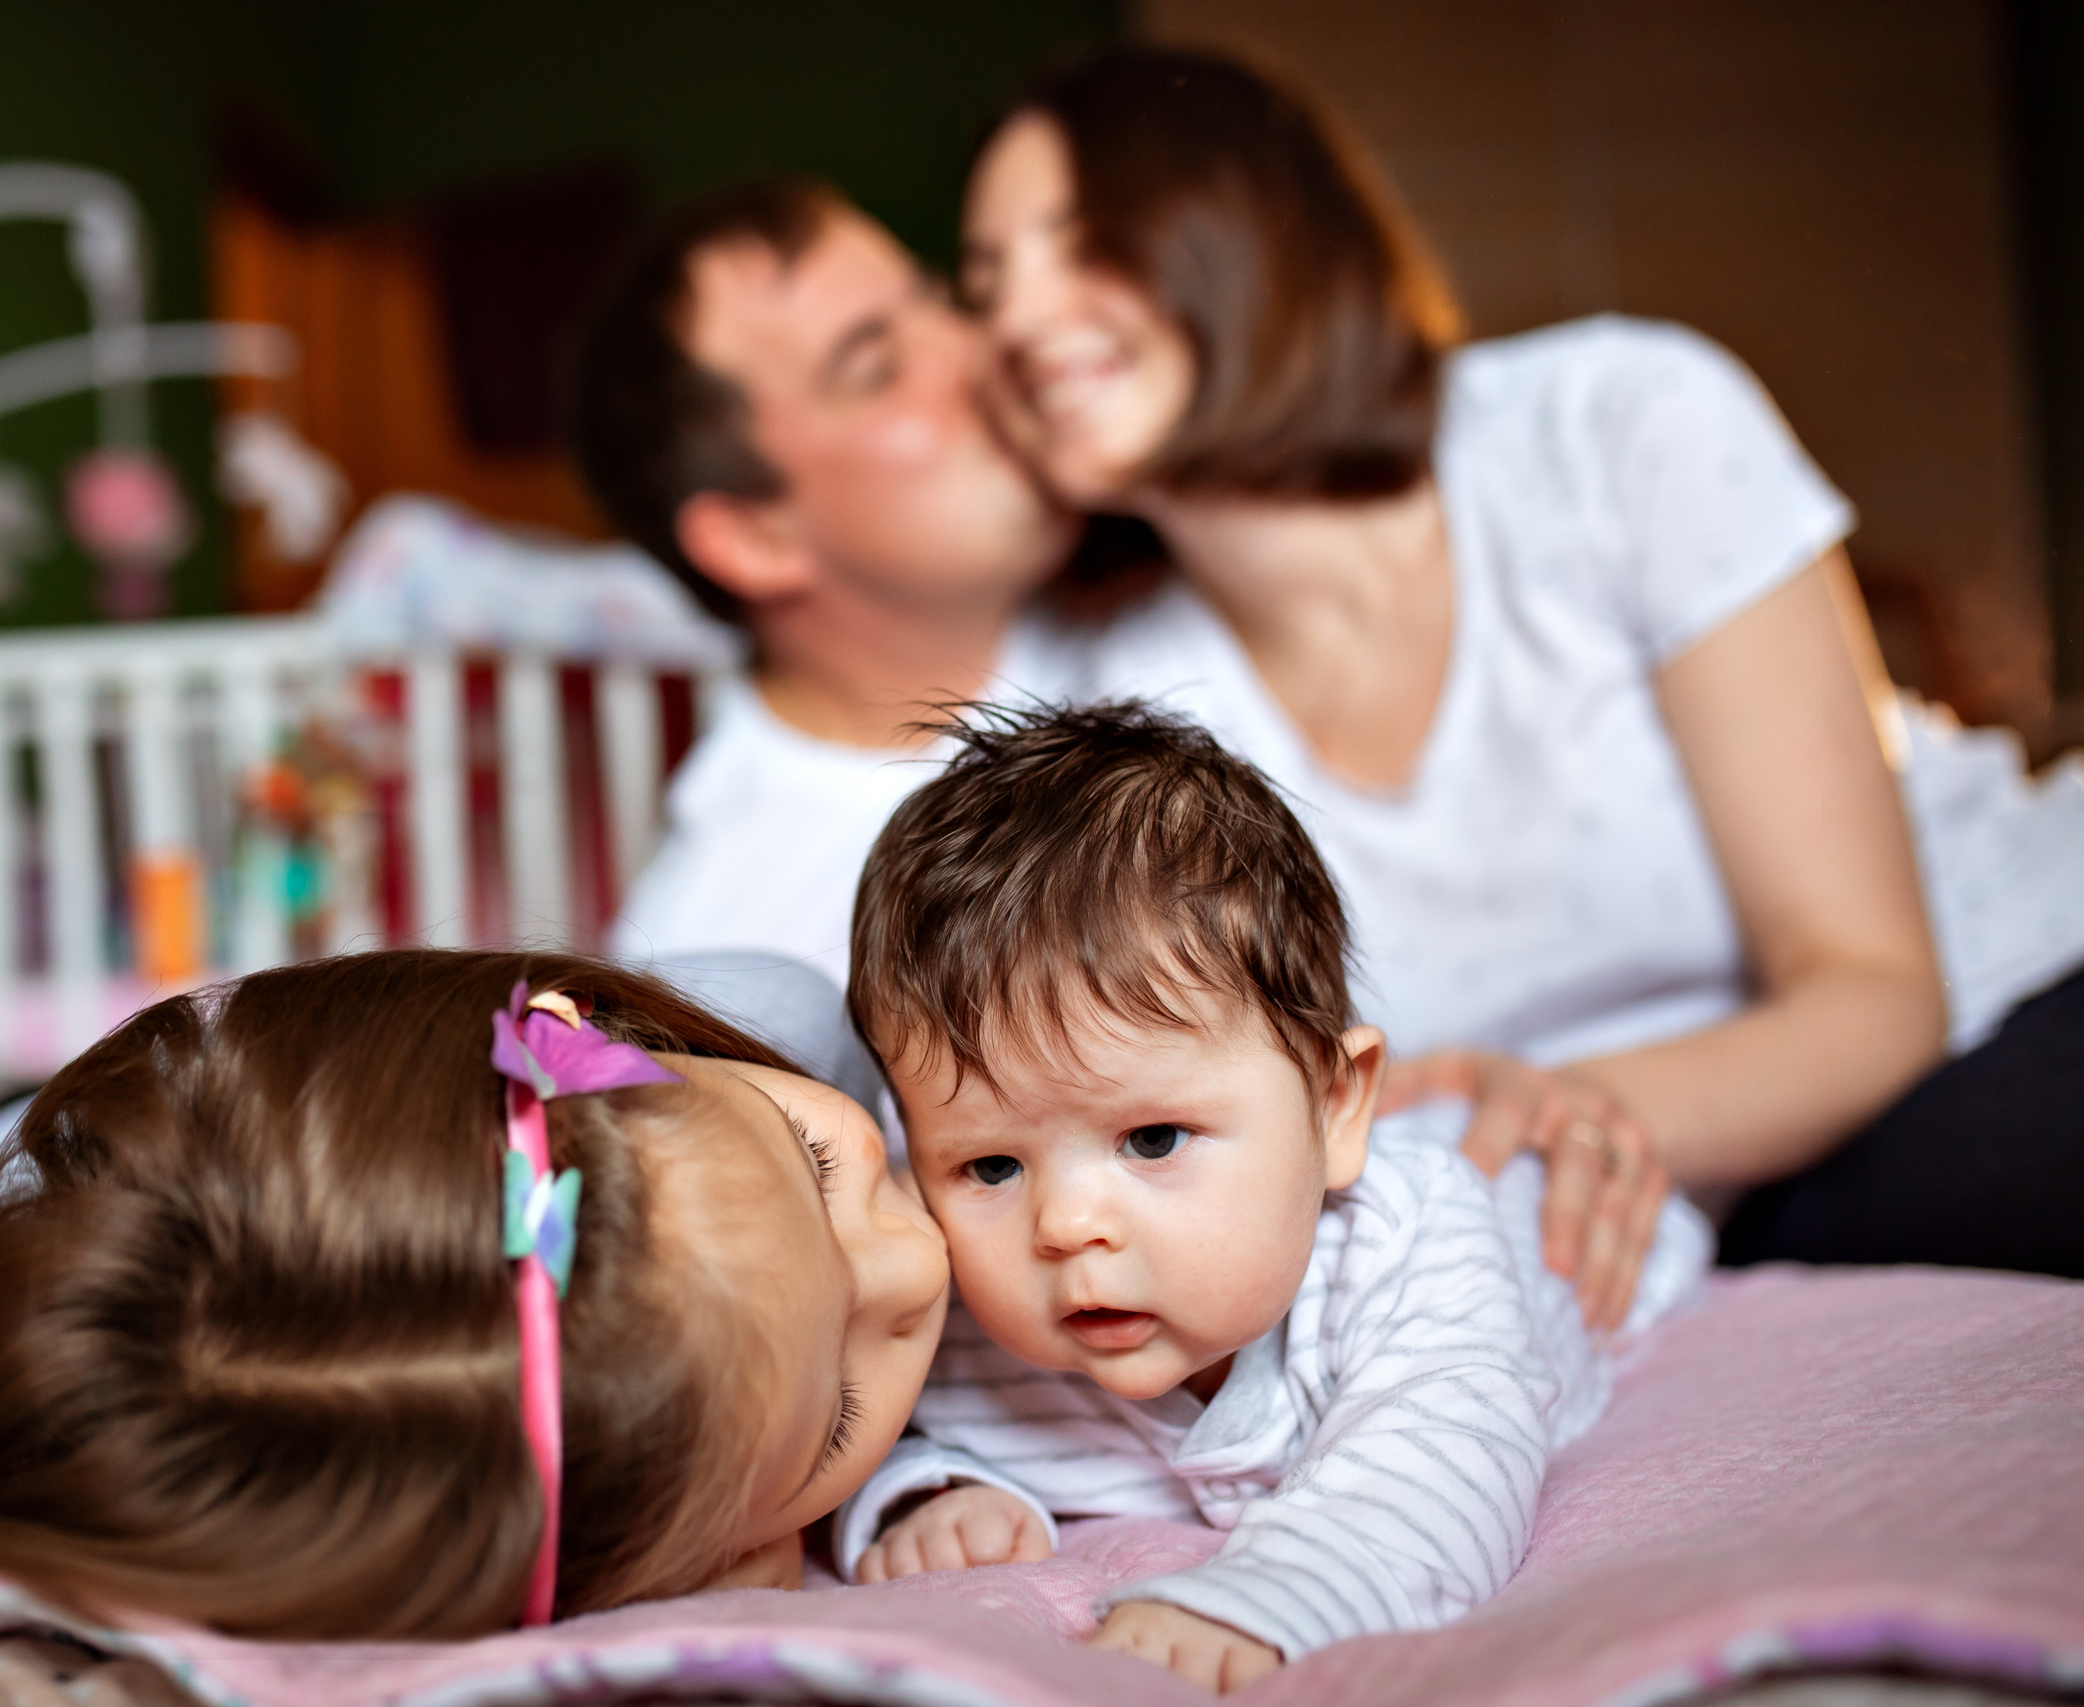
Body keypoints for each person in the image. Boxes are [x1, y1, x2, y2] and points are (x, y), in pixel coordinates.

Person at [943, 47, 2081, 1287]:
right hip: (1641, 1213)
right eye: (985, 280)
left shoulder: (1617, 423)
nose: (1009, 320)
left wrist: (1546, 1106)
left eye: (1077, 241)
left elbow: (1873, 993)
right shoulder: (1095, 688)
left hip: (1986, 1016)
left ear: (1246, 225)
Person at [0, 950, 950, 1693]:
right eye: (836, 1408)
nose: (916, 1257)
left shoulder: (770, 1025)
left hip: (213, 1143)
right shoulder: (138, 1398)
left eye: (825, 1168)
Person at [832, 706, 1701, 1694]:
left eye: (1152, 1140)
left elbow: (1446, 1449)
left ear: (1336, 1108)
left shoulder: (1408, 1242)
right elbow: (882, 1421)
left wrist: (1275, 1592)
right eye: (990, 1167)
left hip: (1568, 1231)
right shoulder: (975, 1320)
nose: (1066, 1226)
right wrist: (929, 1493)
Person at [569, 178, 1087, 986]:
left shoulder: (1196, 575)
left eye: (945, 298)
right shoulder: (721, 965)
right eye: (878, 367)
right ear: (754, 538)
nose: (981, 350)